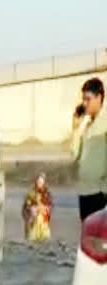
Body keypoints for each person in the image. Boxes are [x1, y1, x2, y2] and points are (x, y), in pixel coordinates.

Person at [71, 78, 107, 221]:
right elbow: (74, 154)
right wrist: (77, 128)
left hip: (101, 194)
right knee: (88, 238)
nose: (85, 104)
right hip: (85, 192)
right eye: (83, 99)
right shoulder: (85, 123)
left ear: (99, 98)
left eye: (88, 99)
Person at [22, 173, 53, 242]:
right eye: (38, 182)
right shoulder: (31, 193)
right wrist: (31, 208)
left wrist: (43, 208)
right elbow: (26, 205)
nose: (39, 183)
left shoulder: (47, 193)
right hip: (32, 217)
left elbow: (50, 206)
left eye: (41, 182)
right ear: (35, 182)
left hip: (43, 218)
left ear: (44, 182)